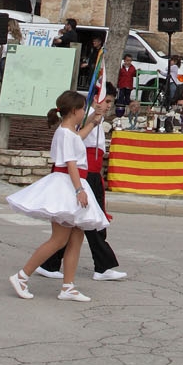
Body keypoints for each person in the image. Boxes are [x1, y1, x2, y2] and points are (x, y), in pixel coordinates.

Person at [5, 90, 108, 301]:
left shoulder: (69, 131)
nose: (83, 113)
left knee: (77, 236)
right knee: (59, 239)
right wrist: (79, 190)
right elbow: (70, 162)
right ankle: (22, 275)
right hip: (68, 185)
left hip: (75, 182)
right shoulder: (64, 132)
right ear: (74, 111)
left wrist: (93, 122)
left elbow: (78, 137)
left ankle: (68, 285)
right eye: (82, 109)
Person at [40, 89, 125, 283]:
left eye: (110, 102)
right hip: (79, 176)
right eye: (106, 100)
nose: (108, 105)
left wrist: (96, 120)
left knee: (78, 224)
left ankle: (53, 266)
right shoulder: (78, 118)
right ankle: (103, 265)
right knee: (87, 222)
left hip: (89, 174)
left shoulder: (90, 119)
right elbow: (74, 148)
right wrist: (79, 189)